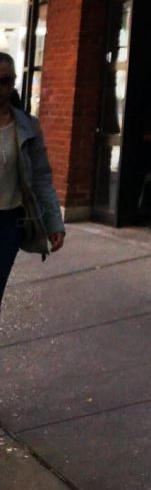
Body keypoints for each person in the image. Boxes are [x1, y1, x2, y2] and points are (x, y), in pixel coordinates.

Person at [0, 51, 65, 312]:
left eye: (5, 80)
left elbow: (41, 178)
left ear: (13, 82)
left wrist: (53, 222)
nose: (0, 87)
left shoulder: (27, 126)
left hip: (8, 224)